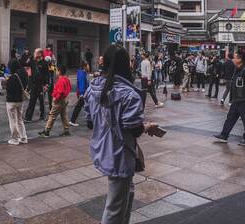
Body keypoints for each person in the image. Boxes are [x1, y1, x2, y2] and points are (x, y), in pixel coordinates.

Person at [83, 44, 160, 224]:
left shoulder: (92, 89)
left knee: (126, 193)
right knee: (114, 208)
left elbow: (89, 122)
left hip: (102, 149)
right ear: (126, 65)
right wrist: (148, 126)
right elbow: (133, 129)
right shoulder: (129, 95)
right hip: (120, 154)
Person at [214, 51, 245, 146]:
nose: (233, 59)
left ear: (240, 59)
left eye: (235, 58)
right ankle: (224, 135)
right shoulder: (237, 70)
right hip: (236, 100)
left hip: (244, 100)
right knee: (230, 118)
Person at [38, 65, 72, 137]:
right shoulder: (66, 79)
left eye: (56, 70)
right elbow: (69, 88)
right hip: (64, 99)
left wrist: (55, 98)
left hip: (59, 100)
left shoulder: (60, 80)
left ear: (59, 71)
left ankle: (47, 131)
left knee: (52, 115)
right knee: (64, 115)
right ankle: (66, 130)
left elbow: (60, 92)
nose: (56, 72)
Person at [5, 59, 29, 145]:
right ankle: (23, 138)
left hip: (11, 101)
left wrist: (6, 81)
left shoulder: (13, 77)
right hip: (20, 100)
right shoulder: (24, 73)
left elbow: (8, 89)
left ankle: (14, 139)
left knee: (13, 120)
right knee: (19, 119)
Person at [24, 48, 48, 123]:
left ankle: (42, 116)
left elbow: (46, 74)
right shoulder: (32, 62)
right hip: (34, 85)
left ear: (40, 54)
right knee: (32, 101)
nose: (34, 53)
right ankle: (28, 117)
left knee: (42, 102)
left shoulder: (44, 63)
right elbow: (25, 64)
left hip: (41, 85)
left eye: (35, 52)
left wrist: (46, 85)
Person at [69, 61, 89, 127]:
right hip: (83, 94)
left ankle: (72, 121)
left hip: (83, 93)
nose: (88, 66)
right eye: (87, 65)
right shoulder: (81, 73)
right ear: (84, 66)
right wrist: (81, 94)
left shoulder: (82, 73)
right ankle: (90, 122)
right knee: (86, 107)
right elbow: (81, 84)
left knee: (80, 107)